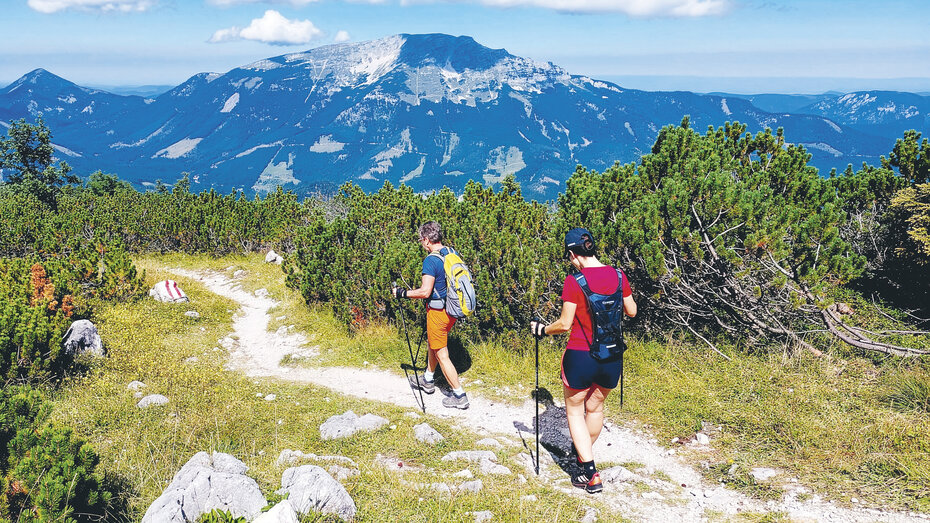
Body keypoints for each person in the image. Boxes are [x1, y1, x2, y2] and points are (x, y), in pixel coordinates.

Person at [530, 227, 636, 493]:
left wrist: (542, 329)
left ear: (572, 254)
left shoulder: (574, 281)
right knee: (596, 410)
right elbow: (632, 311)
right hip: (612, 356)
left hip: (580, 355)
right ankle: (582, 457)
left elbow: (565, 324)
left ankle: (590, 473)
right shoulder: (619, 276)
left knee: (575, 412)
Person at [392, 221, 470, 409]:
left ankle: (460, 395)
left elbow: (425, 292)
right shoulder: (450, 253)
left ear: (427, 239)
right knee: (433, 344)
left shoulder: (431, 260)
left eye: (421, 240)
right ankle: (427, 380)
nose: (421, 244)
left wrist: (403, 293)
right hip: (451, 310)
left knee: (442, 353)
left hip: (437, 313)